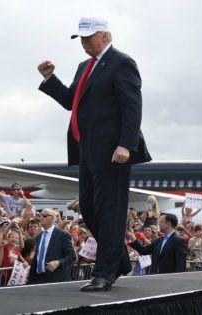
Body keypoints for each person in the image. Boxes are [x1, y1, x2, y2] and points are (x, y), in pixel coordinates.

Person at [38, 17, 151, 291]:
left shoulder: (121, 62)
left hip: (113, 151)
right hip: (87, 150)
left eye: (90, 36)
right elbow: (71, 102)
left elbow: (132, 106)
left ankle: (105, 273)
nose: (85, 42)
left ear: (106, 36)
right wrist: (50, 79)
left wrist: (126, 144)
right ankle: (120, 260)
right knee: (88, 209)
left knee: (110, 212)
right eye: (82, 38)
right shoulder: (84, 67)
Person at [28, 208, 76, 284]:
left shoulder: (62, 235)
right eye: (40, 215)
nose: (41, 217)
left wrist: (58, 262)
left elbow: (72, 256)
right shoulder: (39, 237)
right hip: (38, 278)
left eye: (45, 215)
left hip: (55, 278)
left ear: (53, 218)